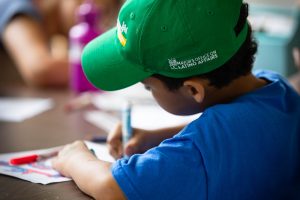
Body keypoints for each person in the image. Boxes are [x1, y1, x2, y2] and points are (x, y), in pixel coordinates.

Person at [52, 0, 300, 199]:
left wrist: (75, 159)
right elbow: (235, 132)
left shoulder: (197, 154)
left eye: (148, 87)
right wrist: (155, 136)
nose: (148, 90)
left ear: (192, 90)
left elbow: (112, 188)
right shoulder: (278, 88)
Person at [0, 0, 123, 87]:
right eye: (81, 2)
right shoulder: (16, 5)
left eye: (102, 13)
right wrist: (112, 68)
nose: (88, 13)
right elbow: (40, 68)